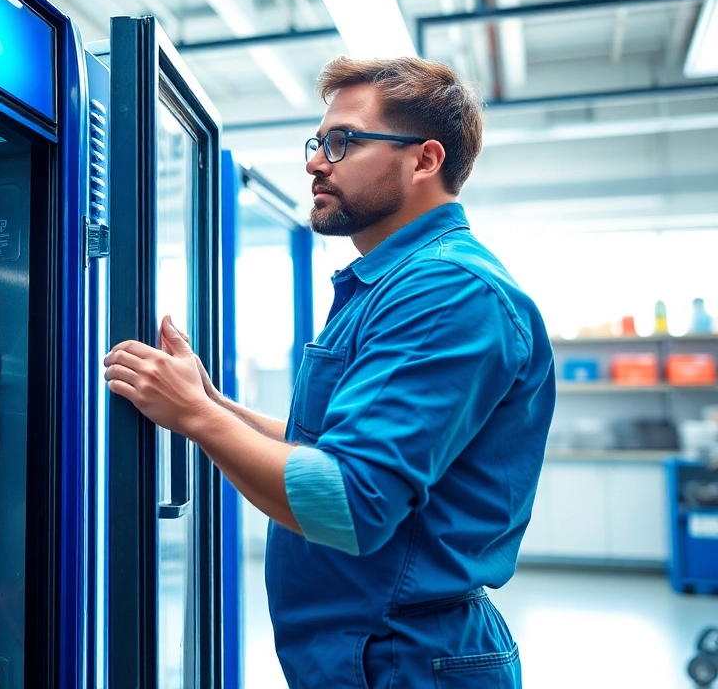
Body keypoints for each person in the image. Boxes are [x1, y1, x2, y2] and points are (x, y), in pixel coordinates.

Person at [104, 56, 555, 688]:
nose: (317, 161)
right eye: (318, 142)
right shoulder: (389, 285)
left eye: (342, 142)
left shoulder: (447, 291)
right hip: (370, 649)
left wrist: (198, 419)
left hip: (406, 659)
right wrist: (210, 400)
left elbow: (348, 503)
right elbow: (317, 448)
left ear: (424, 160)